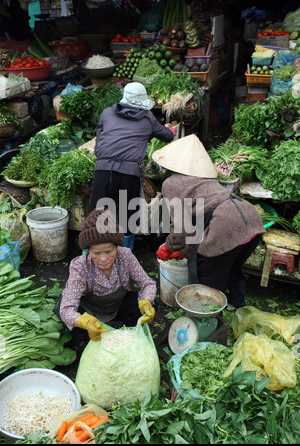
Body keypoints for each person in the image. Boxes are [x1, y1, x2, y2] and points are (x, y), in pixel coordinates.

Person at [153, 134, 266, 308]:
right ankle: (238, 305)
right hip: (251, 220)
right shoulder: (206, 179)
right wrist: (184, 249)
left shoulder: (171, 183)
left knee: (201, 274)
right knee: (231, 268)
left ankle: (205, 321)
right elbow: (193, 228)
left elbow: (181, 230)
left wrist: (169, 246)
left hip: (226, 224)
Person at [89, 81, 176, 248]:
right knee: (127, 217)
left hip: (103, 170)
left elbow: (99, 138)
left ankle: (91, 256)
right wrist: (171, 130)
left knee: (96, 215)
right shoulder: (147, 117)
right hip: (129, 173)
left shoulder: (107, 113)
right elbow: (167, 135)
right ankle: (125, 256)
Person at [54, 208, 156, 342]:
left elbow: (148, 283)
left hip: (117, 306)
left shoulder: (125, 256)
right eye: (96, 253)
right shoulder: (80, 266)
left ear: (117, 246)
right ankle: (81, 339)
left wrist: (146, 301)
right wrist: (84, 322)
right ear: (87, 250)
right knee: (72, 315)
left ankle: (131, 335)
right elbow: (67, 309)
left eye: (109, 251)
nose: (103, 259)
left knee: (147, 304)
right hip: (89, 310)